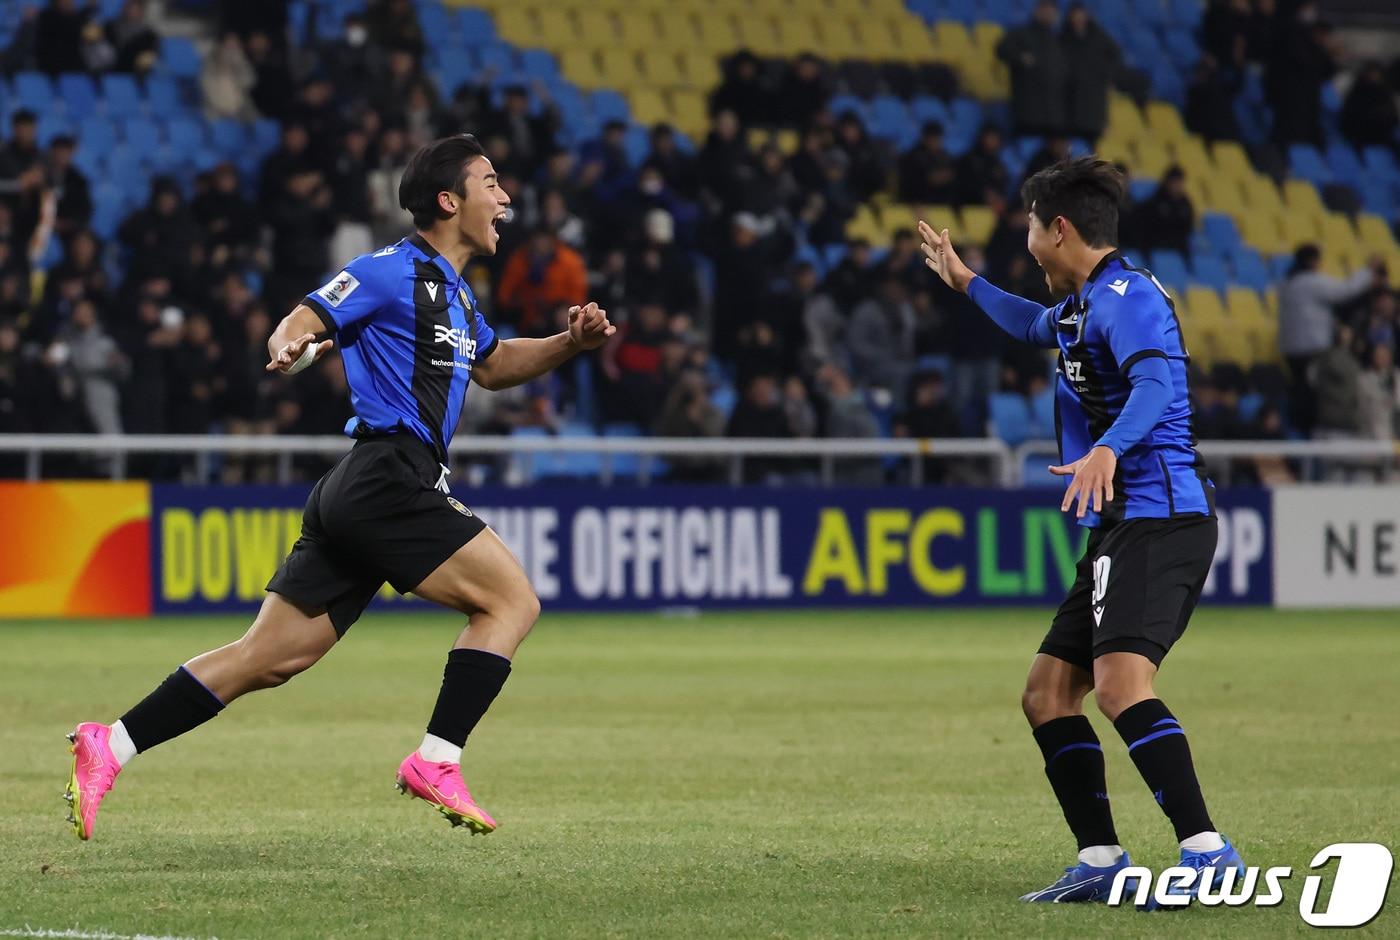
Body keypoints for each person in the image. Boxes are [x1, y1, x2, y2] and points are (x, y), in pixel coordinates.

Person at [63, 134, 615, 841]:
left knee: (269, 659)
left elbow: (496, 364)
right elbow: (310, 312)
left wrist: (571, 343)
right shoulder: (388, 270)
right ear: (448, 201)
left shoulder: (457, 296)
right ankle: (436, 759)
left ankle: (109, 744)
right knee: (510, 602)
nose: (505, 198)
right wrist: (288, 340)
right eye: (491, 182)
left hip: (362, 487)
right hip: (389, 475)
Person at [919, 157, 1244, 906]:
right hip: (1124, 522)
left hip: (1163, 514)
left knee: (1121, 686)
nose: (1028, 247)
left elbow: (1157, 383)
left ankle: (1209, 854)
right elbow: (1032, 325)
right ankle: (1101, 860)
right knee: (1045, 695)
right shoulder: (1079, 305)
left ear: (1058, 230)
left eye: (1030, 231)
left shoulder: (1127, 297)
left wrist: (1105, 448)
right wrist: (966, 282)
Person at [1276, 245, 1379, 435]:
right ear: (1313, 261)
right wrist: (1367, 271)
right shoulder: (1311, 282)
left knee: (1300, 392)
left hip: (1291, 350)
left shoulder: (1286, 283)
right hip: (1313, 349)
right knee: (1314, 397)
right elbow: (1345, 290)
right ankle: (1312, 432)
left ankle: (1301, 431)